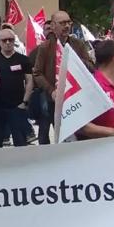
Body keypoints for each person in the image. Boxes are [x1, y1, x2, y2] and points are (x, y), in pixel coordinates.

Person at [31, 10, 92, 144]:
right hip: (53, 99)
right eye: (62, 23)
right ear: (53, 26)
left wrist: (77, 61)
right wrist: (51, 90)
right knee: (54, 133)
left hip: (75, 98)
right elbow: (37, 73)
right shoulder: (45, 47)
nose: (66, 26)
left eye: (68, 22)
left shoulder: (78, 44)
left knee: (76, 135)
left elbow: (91, 66)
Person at [0, 27, 33, 147]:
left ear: (14, 41)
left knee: (20, 142)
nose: (8, 43)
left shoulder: (23, 59)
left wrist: (25, 102)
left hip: (17, 106)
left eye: (10, 39)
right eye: (4, 40)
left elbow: (29, 81)